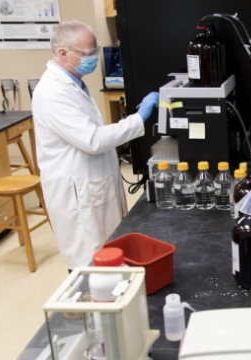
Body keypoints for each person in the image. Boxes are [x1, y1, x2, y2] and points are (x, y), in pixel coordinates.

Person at [32, 20, 160, 270]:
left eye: (95, 51)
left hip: (92, 181)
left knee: (109, 254)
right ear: (63, 53)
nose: (93, 58)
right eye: (88, 53)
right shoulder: (54, 92)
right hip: (77, 192)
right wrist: (138, 118)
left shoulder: (73, 82)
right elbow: (93, 139)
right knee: (89, 263)